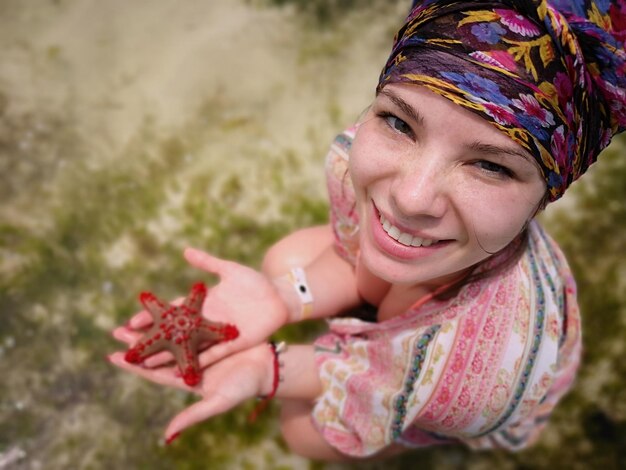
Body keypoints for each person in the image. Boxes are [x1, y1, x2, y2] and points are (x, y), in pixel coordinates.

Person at [109, 0, 626, 462]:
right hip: (422, 324)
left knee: (301, 434)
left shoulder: (486, 377)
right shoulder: (355, 154)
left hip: (439, 389)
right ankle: (365, 318)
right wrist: (285, 299)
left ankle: (401, 431)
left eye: (491, 166)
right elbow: (350, 250)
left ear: (545, 196)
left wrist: (267, 369)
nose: (410, 198)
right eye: (401, 124)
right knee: (285, 259)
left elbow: (391, 379)